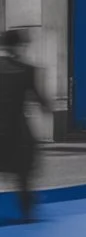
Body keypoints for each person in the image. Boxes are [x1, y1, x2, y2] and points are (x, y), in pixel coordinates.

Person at [0, 29, 48, 222]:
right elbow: (40, 99)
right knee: (24, 172)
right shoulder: (27, 70)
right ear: (20, 46)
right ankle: (27, 210)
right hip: (17, 128)